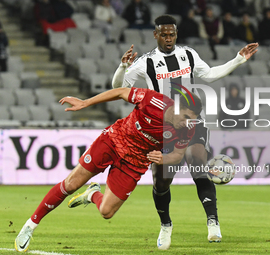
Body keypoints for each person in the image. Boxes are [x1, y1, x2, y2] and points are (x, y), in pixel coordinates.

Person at [112, 14, 258, 250]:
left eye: (172, 34)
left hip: (191, 121)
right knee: (161, 182)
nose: (168, 38)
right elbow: (118, 88)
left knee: (198, 160)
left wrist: (238, 60)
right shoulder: (147, 62)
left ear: (176, 34)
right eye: (164, 34)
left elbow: (209, 74)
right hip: (162, 127)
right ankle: (166, 224)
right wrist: (122, 67)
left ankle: (213, 222)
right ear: (155, 35)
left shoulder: (188, 54)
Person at [14, 84, 203, 252]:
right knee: (71, 184)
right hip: (113, 140)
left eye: (191, 119)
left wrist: (164, 158)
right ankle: (29, 227)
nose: (188, 122)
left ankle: (91, 194)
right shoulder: (153, 100)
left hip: (135, 162)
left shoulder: (187, 128)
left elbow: (177, 155)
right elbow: (121, 92)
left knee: (106, 212)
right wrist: (86, 103)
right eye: (186, 116)